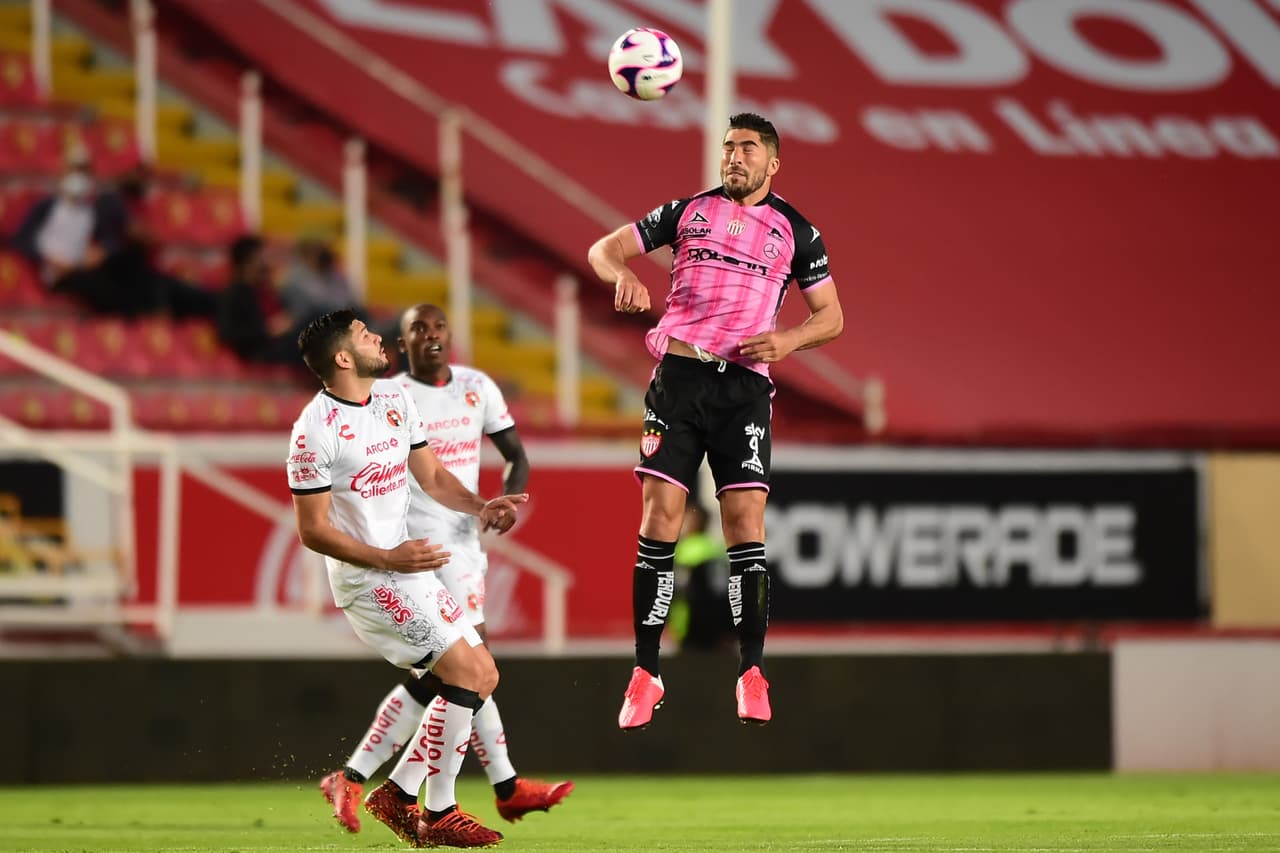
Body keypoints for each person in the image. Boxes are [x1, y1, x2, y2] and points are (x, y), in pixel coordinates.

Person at [586, 112, 844, 730]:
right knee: (659, 515)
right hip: (679, 378)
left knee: (744, 522)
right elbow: (603, 249)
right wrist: (622, 272)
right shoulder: (684, 212)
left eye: (747, 148)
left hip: (745, 388)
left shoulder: (798, 232)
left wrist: (787, 342)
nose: (734, 156)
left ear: (771, 163)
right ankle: (645, 674)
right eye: (729, 147)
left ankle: (751, 672)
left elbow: (831, 316)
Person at [318, 303, 573, 837]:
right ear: (403, 342)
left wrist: (492, 501)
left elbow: (504, 456)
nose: (431, 336)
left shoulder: (477, 386)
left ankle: (366, 779)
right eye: (418, 329)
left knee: (452, 675)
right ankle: (486, 790)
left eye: (438, 327)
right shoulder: (385, 397)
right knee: (463, 671)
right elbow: (327, 509)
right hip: (415, 550)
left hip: (463, 541)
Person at [217, 235, 304, 365]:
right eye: (262, 257)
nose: (267, 262)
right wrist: (268, 330)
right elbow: (227, 334)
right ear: (248, 261)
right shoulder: (232, 294)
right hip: (259, 352)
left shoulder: (265, 290)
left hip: (279, 344)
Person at [668, 502, 733, 654]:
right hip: (717, 623)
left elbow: (677, 587)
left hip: (689, 623)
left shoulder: (685, 550)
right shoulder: (715, 548)